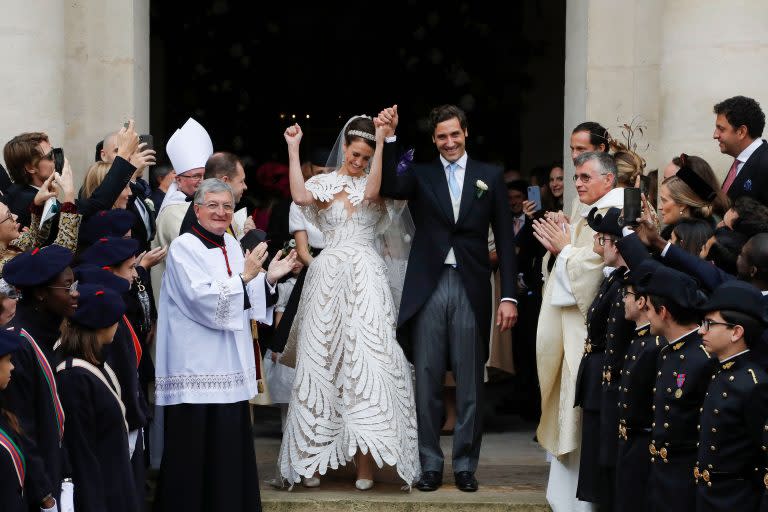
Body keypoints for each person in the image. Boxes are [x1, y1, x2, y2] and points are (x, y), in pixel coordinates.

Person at [378, 104, 518, 493]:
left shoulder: (488, 175)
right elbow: (390, 187)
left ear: (466, 133)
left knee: (471, 380)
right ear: (434, 139)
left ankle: (465, 466)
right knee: (426, 379)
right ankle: (429, 465)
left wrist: (509, 296)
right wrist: (389, 139)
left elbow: (505, 241)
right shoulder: (420, 174)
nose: (450, 142)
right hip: (430, 284)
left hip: (472, 284)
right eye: (442, 136)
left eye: (455, 134)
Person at [278, 113, 420, 491]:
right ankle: (312, 461)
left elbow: (372, 194)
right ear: (344, 147)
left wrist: (381, 138)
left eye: (365, 157)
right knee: (322, 361)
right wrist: (293, 149)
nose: (358, 162)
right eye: (354, 154)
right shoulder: (323, 182)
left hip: (366, 275)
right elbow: (299, 196)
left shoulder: (378, 185)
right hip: (327, 276)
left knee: (365, 362)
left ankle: (365, 466)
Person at [153, 178, 295, 512]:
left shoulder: (231, 245)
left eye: (227, 206)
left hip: (228, 369)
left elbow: (246, 297)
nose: (221, 212)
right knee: (193, 454)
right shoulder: (184, 247)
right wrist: (246, 278)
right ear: (197, 209)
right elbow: (201, 299)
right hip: (196, 369)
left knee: (229, 452)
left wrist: (270, 278)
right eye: (213, 205)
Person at [532, 150, 623, 512]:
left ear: (609, 180)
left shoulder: (612, 211)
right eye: (577, 177)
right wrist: (562, 250)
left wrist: (565, 250)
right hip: (573, 328)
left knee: (578, 413)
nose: (579, 183)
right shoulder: (589, 210)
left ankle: (577, 503)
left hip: (589, 332)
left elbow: (598, 266)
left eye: (586, 177)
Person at [3, 245, 80, 511]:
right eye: (67, 287)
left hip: (59, 473)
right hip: (37, 489)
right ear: (40, 294)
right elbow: (19, 425)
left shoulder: (50, 334)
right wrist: (44, 494)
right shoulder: (19, 343)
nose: (75, 293)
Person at [636, 264, 715, 511]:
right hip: (661, 474)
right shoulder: (666, 351)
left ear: (663, 312)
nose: (645, 315)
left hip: (685, 479)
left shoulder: (703, 358)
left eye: (648, 308)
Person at [55, 284, 138, 512]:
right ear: (102, 325)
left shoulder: (96, 364)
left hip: (115, 484)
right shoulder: (74, 377)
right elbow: (81, 452)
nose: (118, 325)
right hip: (100, 493)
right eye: (115, 319)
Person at [572, 207, 633, 509]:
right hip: (598, 379)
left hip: (610, 379)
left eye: (603, 239)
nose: (599, 245)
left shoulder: (626, 285)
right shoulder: (615, 279)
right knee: (597, 459)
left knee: (606, 463)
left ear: (617, 244)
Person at [694, 280, 768, 511]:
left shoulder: (754, 385)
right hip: (707, 495)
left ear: (736, 332)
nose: (701, 330)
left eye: (710, 324)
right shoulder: (719, 371)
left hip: (734, 500)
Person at [614, 260, 663, 512]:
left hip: (643, 442)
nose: (624, 300)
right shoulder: (639, 341)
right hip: (630, 442)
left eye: (628, 295)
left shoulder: (654, 346)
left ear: (643, 301)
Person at [150, 117, 213, 309]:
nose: (201, 181)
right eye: (195, 176)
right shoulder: (173, 211)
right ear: (178, 179)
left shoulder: (198, 204)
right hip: (177, 301)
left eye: (204, 176)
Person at [713, 95, 768, 204]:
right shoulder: (739, 162)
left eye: (721, 129)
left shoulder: (765, 163)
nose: (715, 135)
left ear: (741, 132)